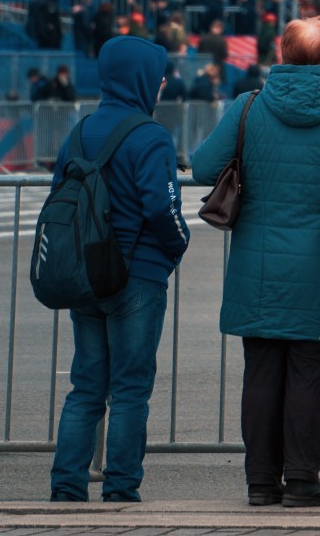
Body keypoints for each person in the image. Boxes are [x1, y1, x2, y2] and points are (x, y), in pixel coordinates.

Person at [192, 16, 320, 509]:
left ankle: (261, 481)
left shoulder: (248, 107)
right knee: (309, 374)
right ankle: (303, 478)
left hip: (258, 265)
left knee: (261, 374)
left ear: (282, 53)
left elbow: (204, 165)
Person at [48, 36, 190, 503]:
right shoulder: (150, 136)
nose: (163, 83)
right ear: (143, 79)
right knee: (130, 390)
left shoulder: (79, 131)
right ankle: (121, 487)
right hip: (138, 276)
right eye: (159, 75)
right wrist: (179, 243)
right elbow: (161, 206)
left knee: (86, 386)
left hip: (86, 274)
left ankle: (67, 486)